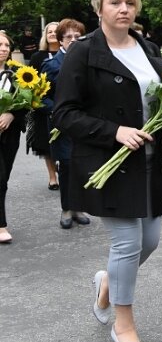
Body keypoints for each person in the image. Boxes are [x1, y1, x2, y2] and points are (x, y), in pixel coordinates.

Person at [53, 0, 162, 342]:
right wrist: (114, 131)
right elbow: (65, 113)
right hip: (108, 162)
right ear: (99, 9)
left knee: (149, 241)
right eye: (115, 2)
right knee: (127, 243)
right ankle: (124, 325)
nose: (124, 8)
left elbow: (158, 102)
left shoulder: (149, 49)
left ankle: (106, 285)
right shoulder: (83, 53)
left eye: (130, 3)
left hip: (150, 161)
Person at [41, 19, 91, 229]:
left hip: (85, 122)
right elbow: (41, 95)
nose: (73, 40)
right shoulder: (51, 65)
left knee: (82, 164)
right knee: (68, 164)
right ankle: (67, 208)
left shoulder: (89, 61)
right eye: (69, 37)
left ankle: (79, 207)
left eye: (77, 37)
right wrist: (56, 110)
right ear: (60, 40)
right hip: (61, 123)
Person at [0, 31, 28, 244]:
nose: (3, 49)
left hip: (9, 135)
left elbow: (28, 103)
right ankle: (1, 226)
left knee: (4, 178)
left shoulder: (18, 74)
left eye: (6, 46)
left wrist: (11, 114)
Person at [29, 21, 60, 190]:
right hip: (43, 105)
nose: (53, 34)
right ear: (45, 35)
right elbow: (31, 84)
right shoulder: (37, 57)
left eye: (56, 31)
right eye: (50, 32)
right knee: (46, 144)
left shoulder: (69, 54)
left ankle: (64, 167)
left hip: (65, 104)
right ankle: (52, 177)